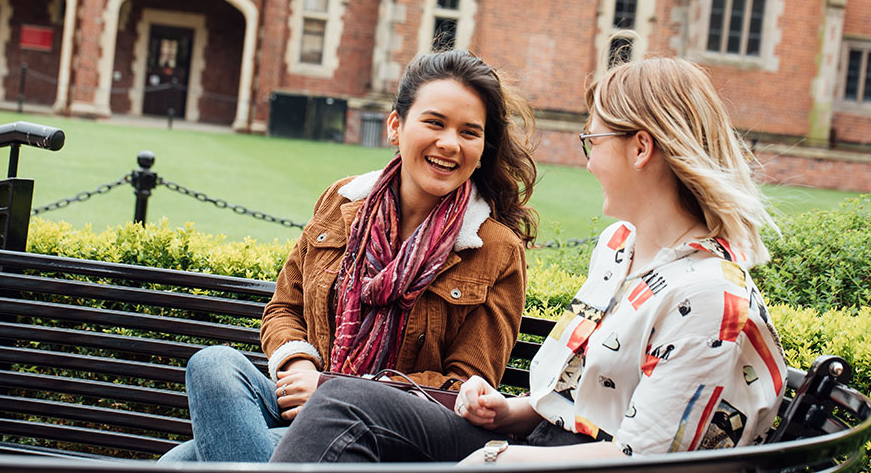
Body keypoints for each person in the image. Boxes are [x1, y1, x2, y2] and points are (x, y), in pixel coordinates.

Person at [269, 56, 788, 464]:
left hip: (545, 461)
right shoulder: (619, 246)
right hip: (536, 447)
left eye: (592, 140)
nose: (588, 161)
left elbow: (644, 460)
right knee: (248, 389)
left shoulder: (709, 295)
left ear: (640, 149)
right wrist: (508, 413)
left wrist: (500, 458)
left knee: (341, 403)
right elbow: (581, 401)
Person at [158, 49, 538, 462]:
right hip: (305, 400)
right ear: (395, 127)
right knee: (213, 365)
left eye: (469, 132)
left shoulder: (496, 250)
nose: (449, 143)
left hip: (393, 433)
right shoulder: (341, 200)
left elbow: (465, 386)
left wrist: (333, 393)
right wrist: (300, 367)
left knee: (179, 463)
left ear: (482, 149)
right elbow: (284, 307)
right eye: (434, 122)